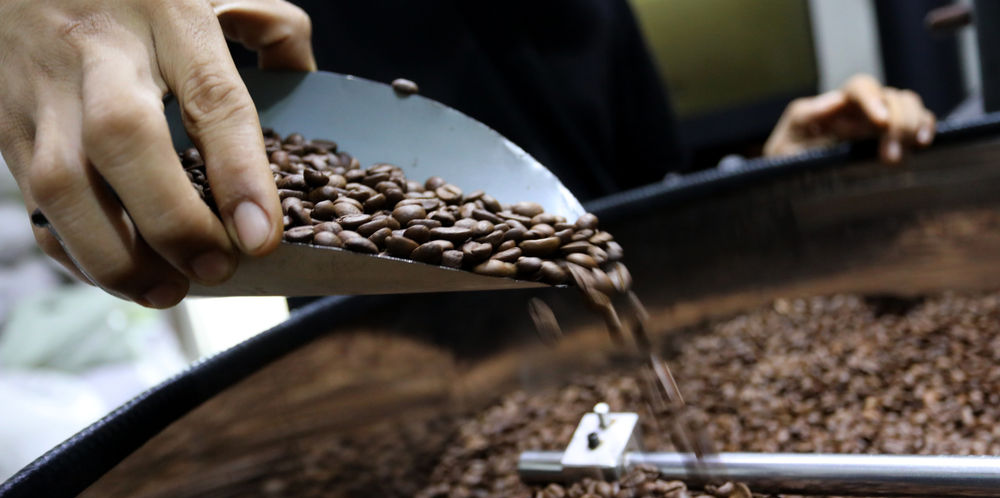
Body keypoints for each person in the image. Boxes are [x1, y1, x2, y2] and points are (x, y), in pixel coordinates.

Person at [0, 0, 937, 309]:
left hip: (602, 376)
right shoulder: (270, 28)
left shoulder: (584, 15)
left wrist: (767, 182)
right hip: (402, 417)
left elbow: (616, 240)